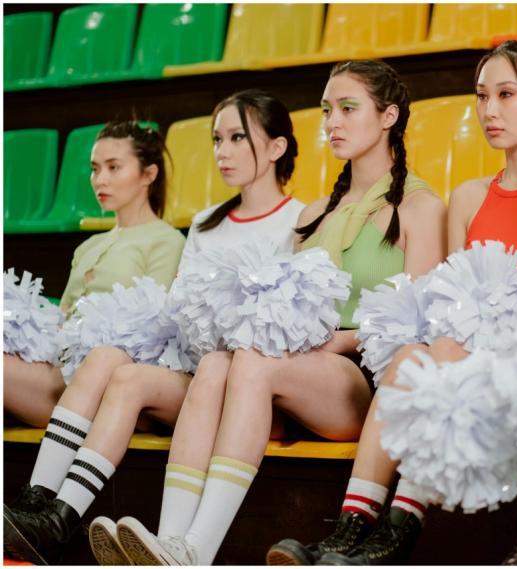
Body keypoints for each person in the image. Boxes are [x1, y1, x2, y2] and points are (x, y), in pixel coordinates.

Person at [267, 41, 517, 567]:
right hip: (458, 361)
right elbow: (445, 301)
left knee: (437, 354)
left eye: (506, 95)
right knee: (409, 357)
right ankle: (351, 530)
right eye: (481, 96)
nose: (489, 111)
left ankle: (397, 533)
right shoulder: (469, 197)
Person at [111, 59, 447, 566]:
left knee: (249, 360)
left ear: (388, 116)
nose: (332, 122)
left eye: (348, 108)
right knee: (217, 362)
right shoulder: (313, 215)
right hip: (295, 375)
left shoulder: (421, 207)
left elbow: (421, 326)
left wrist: (339, 339)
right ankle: (170, 540)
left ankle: (197, 551)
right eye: (327, 109)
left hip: (365, 385)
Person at [3, 90, 307, 566]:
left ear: (276, 147)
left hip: (256, 381)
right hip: (196, 371)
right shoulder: (206, 224)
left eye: (236, 138)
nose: (222, 152)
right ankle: (57, 515)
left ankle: (182, 546)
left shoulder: (302, 220)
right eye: (216, 139)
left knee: (212, 368)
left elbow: (297, 317)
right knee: (122, 371)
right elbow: (179, 315)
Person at [4, 122, 185, 430]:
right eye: (95, 168)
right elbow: (59, 320)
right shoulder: (88, 246)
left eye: (114, 168)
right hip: (58, 373)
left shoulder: (168, 241)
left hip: (104, 386)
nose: (100, 180)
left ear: (149, 175)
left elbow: (157, 332)